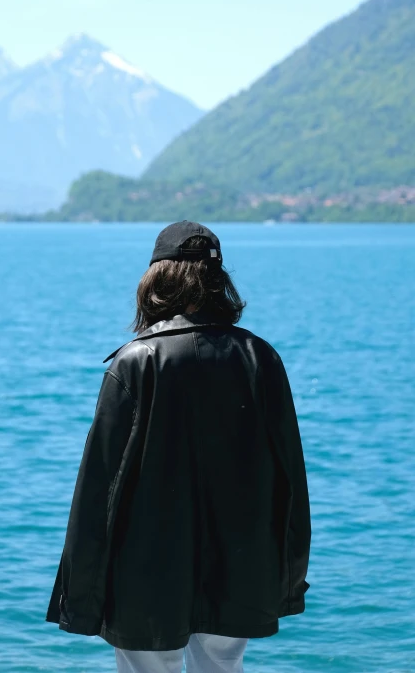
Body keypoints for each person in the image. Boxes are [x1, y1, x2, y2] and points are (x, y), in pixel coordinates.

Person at [46, 221, 311, 673]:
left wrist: (82, 597)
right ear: (218, 283)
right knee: (222, 666)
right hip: (241, 565)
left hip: (144, 572)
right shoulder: (259, 357)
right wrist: (288, 579)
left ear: (157, 281)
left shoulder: (136, 361)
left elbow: (98, 495)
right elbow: (291, 481)